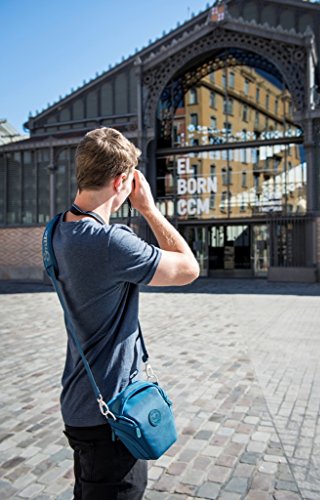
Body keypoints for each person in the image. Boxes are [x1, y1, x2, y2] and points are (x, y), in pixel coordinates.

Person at [52, 127, 199, 499]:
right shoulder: (109, 242)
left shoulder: (55, 230)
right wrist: (148, 208)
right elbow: (188, 268)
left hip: (79, 405)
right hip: (114, 417)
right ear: (122, 181)